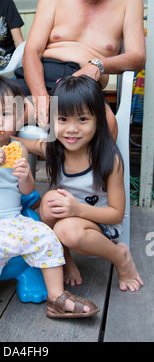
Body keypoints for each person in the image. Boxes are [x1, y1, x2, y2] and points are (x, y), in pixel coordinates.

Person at [0, 76, 99, 343]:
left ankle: (57, 297)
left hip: (13, 219)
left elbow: (26, 191)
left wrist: (25, 176)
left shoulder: (20, 148)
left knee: (47, 237)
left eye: (5, 113)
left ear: (18, 118)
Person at [15, 0, 146, 131]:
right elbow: (31, 51)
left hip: (83, 85)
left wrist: (98, 65)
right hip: (41, 76)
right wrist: (40, 98)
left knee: (108, 126)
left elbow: (137, 57)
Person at [23, 76, 142, 292]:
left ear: (98, 120)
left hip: (101, 225)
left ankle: (121, 257)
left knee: (66, 229)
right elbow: (16, 140)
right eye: (63, 119)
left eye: (82, 119)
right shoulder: (53, 150)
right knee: (49, 202)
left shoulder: (108, 160)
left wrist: (78, 209)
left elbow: (116, 213)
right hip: (70, 217)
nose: (71, 129)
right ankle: (65, 260)